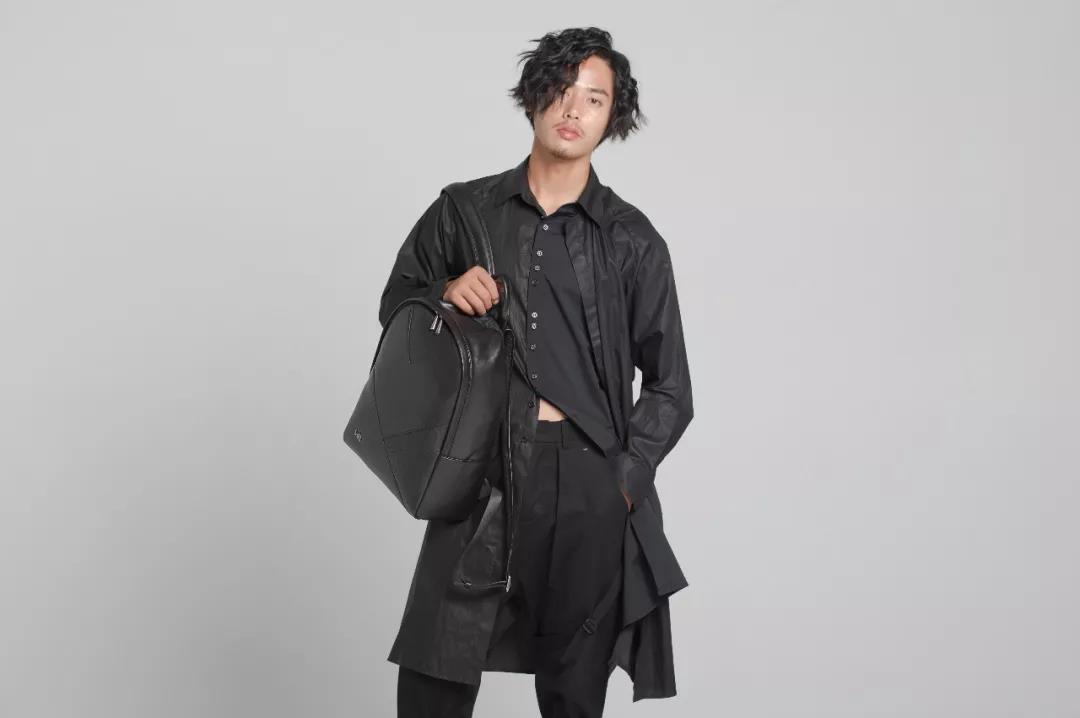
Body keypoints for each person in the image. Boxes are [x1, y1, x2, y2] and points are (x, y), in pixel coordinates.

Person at [375, 27, 694, 718]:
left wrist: (623, 480)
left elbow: (671, 387)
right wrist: (442, 291)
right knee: (434, 676)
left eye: (595, 98)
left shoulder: (632, 239)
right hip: (480, 469)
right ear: (532, 98)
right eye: (561, 90)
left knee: (573, 692)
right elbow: (395, 304)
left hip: (586, 483)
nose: (574, 109)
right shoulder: (465, 210)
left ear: (612, 118)